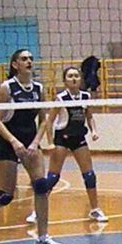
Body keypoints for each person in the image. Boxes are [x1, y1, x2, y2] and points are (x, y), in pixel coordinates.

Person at [0, 50, 61, 244]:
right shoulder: (7, 88)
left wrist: (36, 142)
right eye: (24, 59)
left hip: (30, 141)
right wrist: (14, 142)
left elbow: (43, 120)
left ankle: (43, 237)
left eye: (31, 59)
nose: (29, 61)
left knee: (41, 186)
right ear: (15, 64)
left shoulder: (38, 88)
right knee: (6, 194)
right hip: (8, 141)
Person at [30, 65, 108, 226]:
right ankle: (37, 211)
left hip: (79, 138)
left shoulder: (86, 96)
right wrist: (50, 142)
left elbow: (89, 116)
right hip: (62, 138)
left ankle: (95, 209)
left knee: (89, 175)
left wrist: (94, 131)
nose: (74, 79)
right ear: (65, 81)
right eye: (70, 76)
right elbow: (49, 121)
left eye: (76, 76)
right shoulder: (61, 98)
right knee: (53, 177)